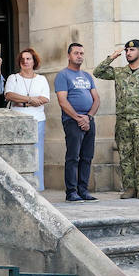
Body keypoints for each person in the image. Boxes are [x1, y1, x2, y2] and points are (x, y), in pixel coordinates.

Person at [94, 39, 139, 199]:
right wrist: (112, 56)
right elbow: (98, 72)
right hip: (123, 121)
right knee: (125, 155)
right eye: (126, 51)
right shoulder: (119, 72)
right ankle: (129, 188)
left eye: (132, 50)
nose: (128, 53)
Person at [54, 42, 99, 202]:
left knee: (87, 156)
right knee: (73, 157)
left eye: (81, 53)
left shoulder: (87, 76)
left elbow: (96, 99)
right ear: (69, 56)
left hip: (88, 120)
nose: (79, 56)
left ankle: (83, 190)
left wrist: (89, 117)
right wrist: (78, 118)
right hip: (72, 121)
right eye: (76, 53)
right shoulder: (63, 75)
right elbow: (62, 101)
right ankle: (71, 192)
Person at [4, 48, 51, 191]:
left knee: (37, 152)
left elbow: (45, 98)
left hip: (37, 119)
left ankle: (37, 186)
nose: (25, 61)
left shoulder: (41, 79)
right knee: (18, 152)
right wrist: (30, 100)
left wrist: (22, 101)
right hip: (17, 119)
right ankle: (19, 186)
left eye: (28, 58)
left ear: (34, 61)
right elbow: (9, 95)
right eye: (23, 59)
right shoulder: (14, 78)